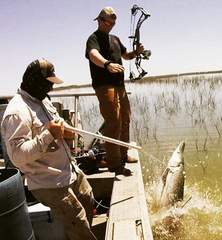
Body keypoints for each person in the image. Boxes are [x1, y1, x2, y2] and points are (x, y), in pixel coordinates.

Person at [1, 59, 97, 240]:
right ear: (35, 81)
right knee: (78, 219)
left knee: (88, 197)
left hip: (69, 170)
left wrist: (66, 131)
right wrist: (48, 134)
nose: (51, 88)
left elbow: (57, 126)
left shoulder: (43, 99)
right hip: (49, 181)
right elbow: (17, 157)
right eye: (48, 83)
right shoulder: (17, 111)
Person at [85, 7, 144, 176]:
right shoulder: (93, 38)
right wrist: (106, 64)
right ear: (99, 20)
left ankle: (124, 156)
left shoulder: (116, 39)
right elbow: (93, 54)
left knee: (125, 119)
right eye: (107, 21)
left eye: (113, 22)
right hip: (104, 85)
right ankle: (114, 164)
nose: (110, 25)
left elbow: (126, 56)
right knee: (113, 122)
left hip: (120, 85)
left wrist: (136, 52)